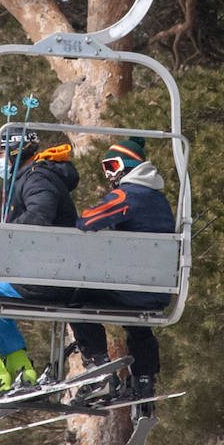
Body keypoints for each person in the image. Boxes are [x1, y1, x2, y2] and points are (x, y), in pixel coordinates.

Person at [0, 131, 79, 408]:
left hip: (46, 278)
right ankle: (20, 370)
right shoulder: (32, 176)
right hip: (48, 274)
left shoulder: (37, 178)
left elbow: (40, 215)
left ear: (14, 151)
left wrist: (0, 235)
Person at [70, 137, 176, 406]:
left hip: (131, 289)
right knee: (138, 323)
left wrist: (78, 218)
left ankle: (99, 367)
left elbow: (89, 221)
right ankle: (144, 379)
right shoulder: (159, 200)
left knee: (76, 298)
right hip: (157, 292)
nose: (108, 174)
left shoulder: (128, 194)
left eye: (111, 166)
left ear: (127, 165)